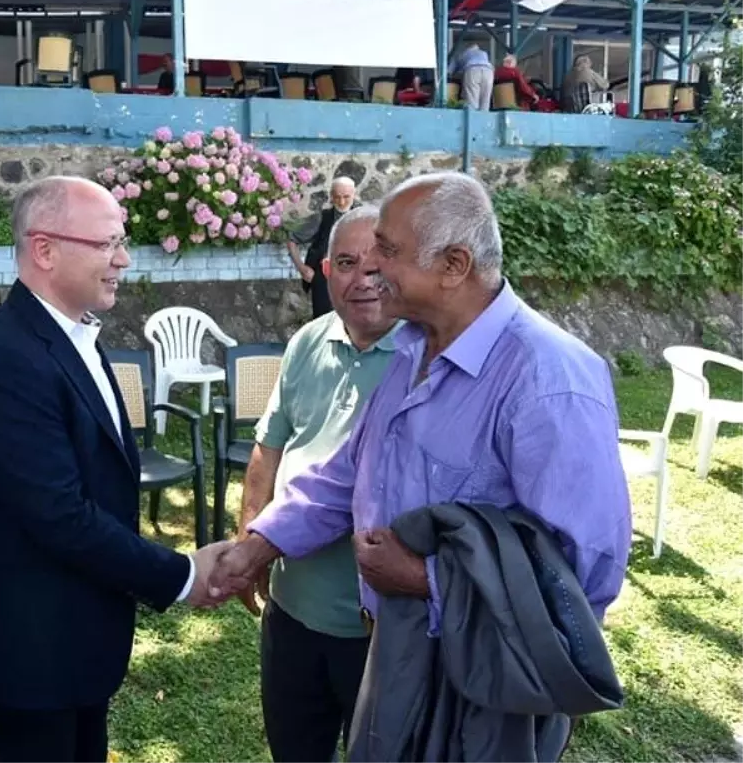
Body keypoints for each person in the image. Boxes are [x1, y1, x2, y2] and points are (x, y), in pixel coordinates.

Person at [212, 170, 631, 669]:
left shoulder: (550, 382)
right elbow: (347, 474)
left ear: (453, 265)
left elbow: (581, 574)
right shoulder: (413, 349)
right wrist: (256, 549)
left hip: (484, 669)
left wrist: (423, 579)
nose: (369, 267)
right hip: (395, 649)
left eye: (386, 250)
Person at [0, 176, 233, 762]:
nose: (123, 259)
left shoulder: (69, 335)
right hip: (33, 647)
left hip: (76, 636)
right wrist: (180, 573)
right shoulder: (5, 359)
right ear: (45, 250)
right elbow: (59, 515)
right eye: (107, 244)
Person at [239, 206, 401, 763]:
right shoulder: (308, 341)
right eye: (350, 263)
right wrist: (249, 542)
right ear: (326, 270)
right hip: (291, 612)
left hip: (381, 630)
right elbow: (269, 448)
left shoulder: (427, 356)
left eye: (380, 264)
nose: (366, 279)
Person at [286, 177, 357, 318]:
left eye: (346, 197)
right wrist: (302, 268)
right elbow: (291, 239)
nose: (342, 202)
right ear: (331, 196)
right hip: (324, 279)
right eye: (337, 197)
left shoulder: (363, 217)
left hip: (354, 278)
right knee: (323, 322)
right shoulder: (321, 218)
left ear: (354, 194)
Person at [450, 42, 494, 110]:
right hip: (489, 71)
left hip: (473, 69)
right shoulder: (484, 53)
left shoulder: (465, 53)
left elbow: (453, 66)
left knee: (472, 99)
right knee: (485, 99)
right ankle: (484, 118)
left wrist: (449, 73)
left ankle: (472, 117)